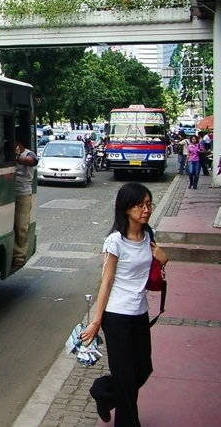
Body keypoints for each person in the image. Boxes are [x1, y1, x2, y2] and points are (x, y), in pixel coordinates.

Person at [81, 182, 167, 426]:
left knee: (143, 369)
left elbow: (154, 267)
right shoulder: (114, 242)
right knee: (126, 377)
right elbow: (106, 283)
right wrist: (97, 321)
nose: (146, 209)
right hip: (116, 315)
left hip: (140, 312)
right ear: (126, 208)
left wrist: (163, 258)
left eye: (149, 204)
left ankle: (103, 392)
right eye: (140, 205)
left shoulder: (148, 235)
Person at [13, 136, 38, 267]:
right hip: (9, 193)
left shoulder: (28, 153)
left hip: (23, 193)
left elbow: (32, 161)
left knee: (21, 226)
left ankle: (19, 256)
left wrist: (16, 158)